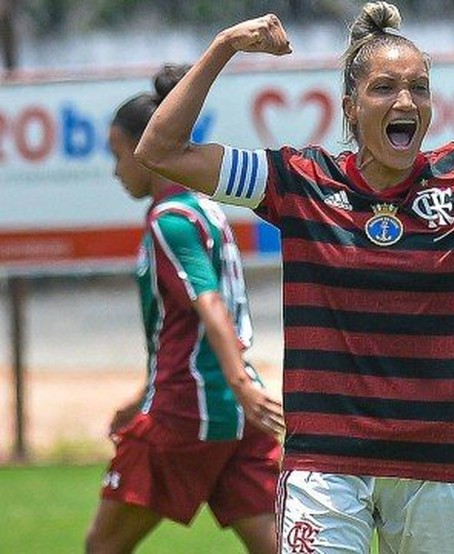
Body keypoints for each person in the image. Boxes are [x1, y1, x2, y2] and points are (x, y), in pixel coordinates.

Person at [133, 3, 454, 552]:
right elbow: (161, 150)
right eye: (385, 88)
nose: (405, 102)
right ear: (351, 107)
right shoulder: (299, 181)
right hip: (325, 470)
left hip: (438, 469)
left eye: (419, 88)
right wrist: (224, 46)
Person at [85, 64, 284, 554]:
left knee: (102, 546)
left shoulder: (169, 220)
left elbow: (209, 304)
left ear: (144, 148)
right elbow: (187, 331)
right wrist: (144, 396)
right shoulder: (208, 209)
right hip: (234, 412)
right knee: (275, 546)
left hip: (189, 410)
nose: (116, 170)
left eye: (118, 154)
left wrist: (237, 384)